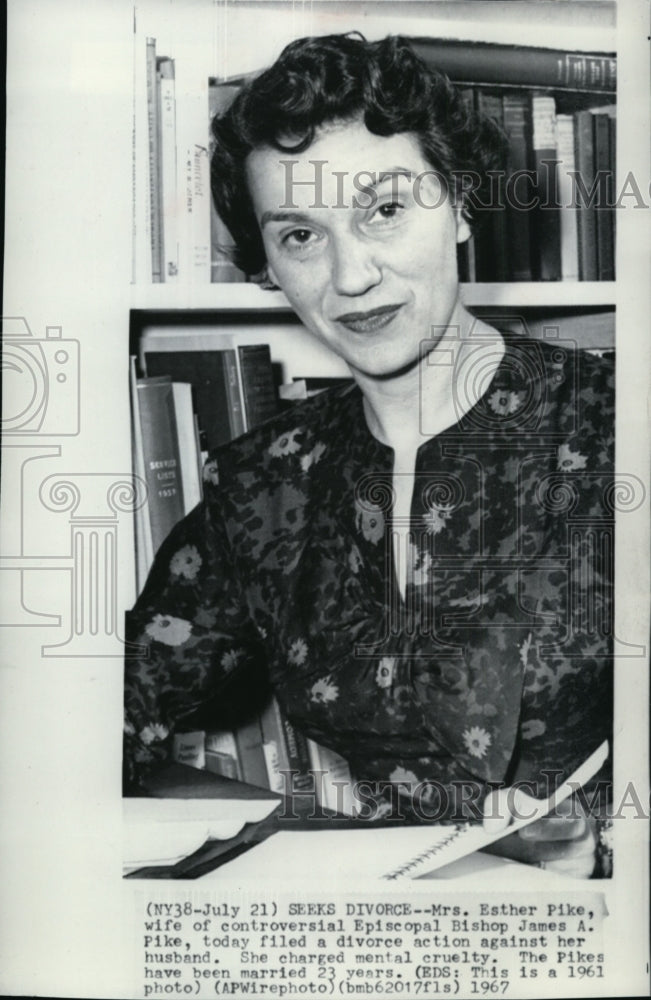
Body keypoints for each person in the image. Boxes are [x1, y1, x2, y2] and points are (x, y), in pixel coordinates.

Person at [124, 33, 613, 876]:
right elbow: (104, 706)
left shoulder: (614, 432)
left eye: (384, 210)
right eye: (300, 235)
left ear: (459, 206)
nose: (350, 276)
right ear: (270, 266)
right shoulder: (264, 484)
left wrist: (602, 843)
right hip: (381, 914)